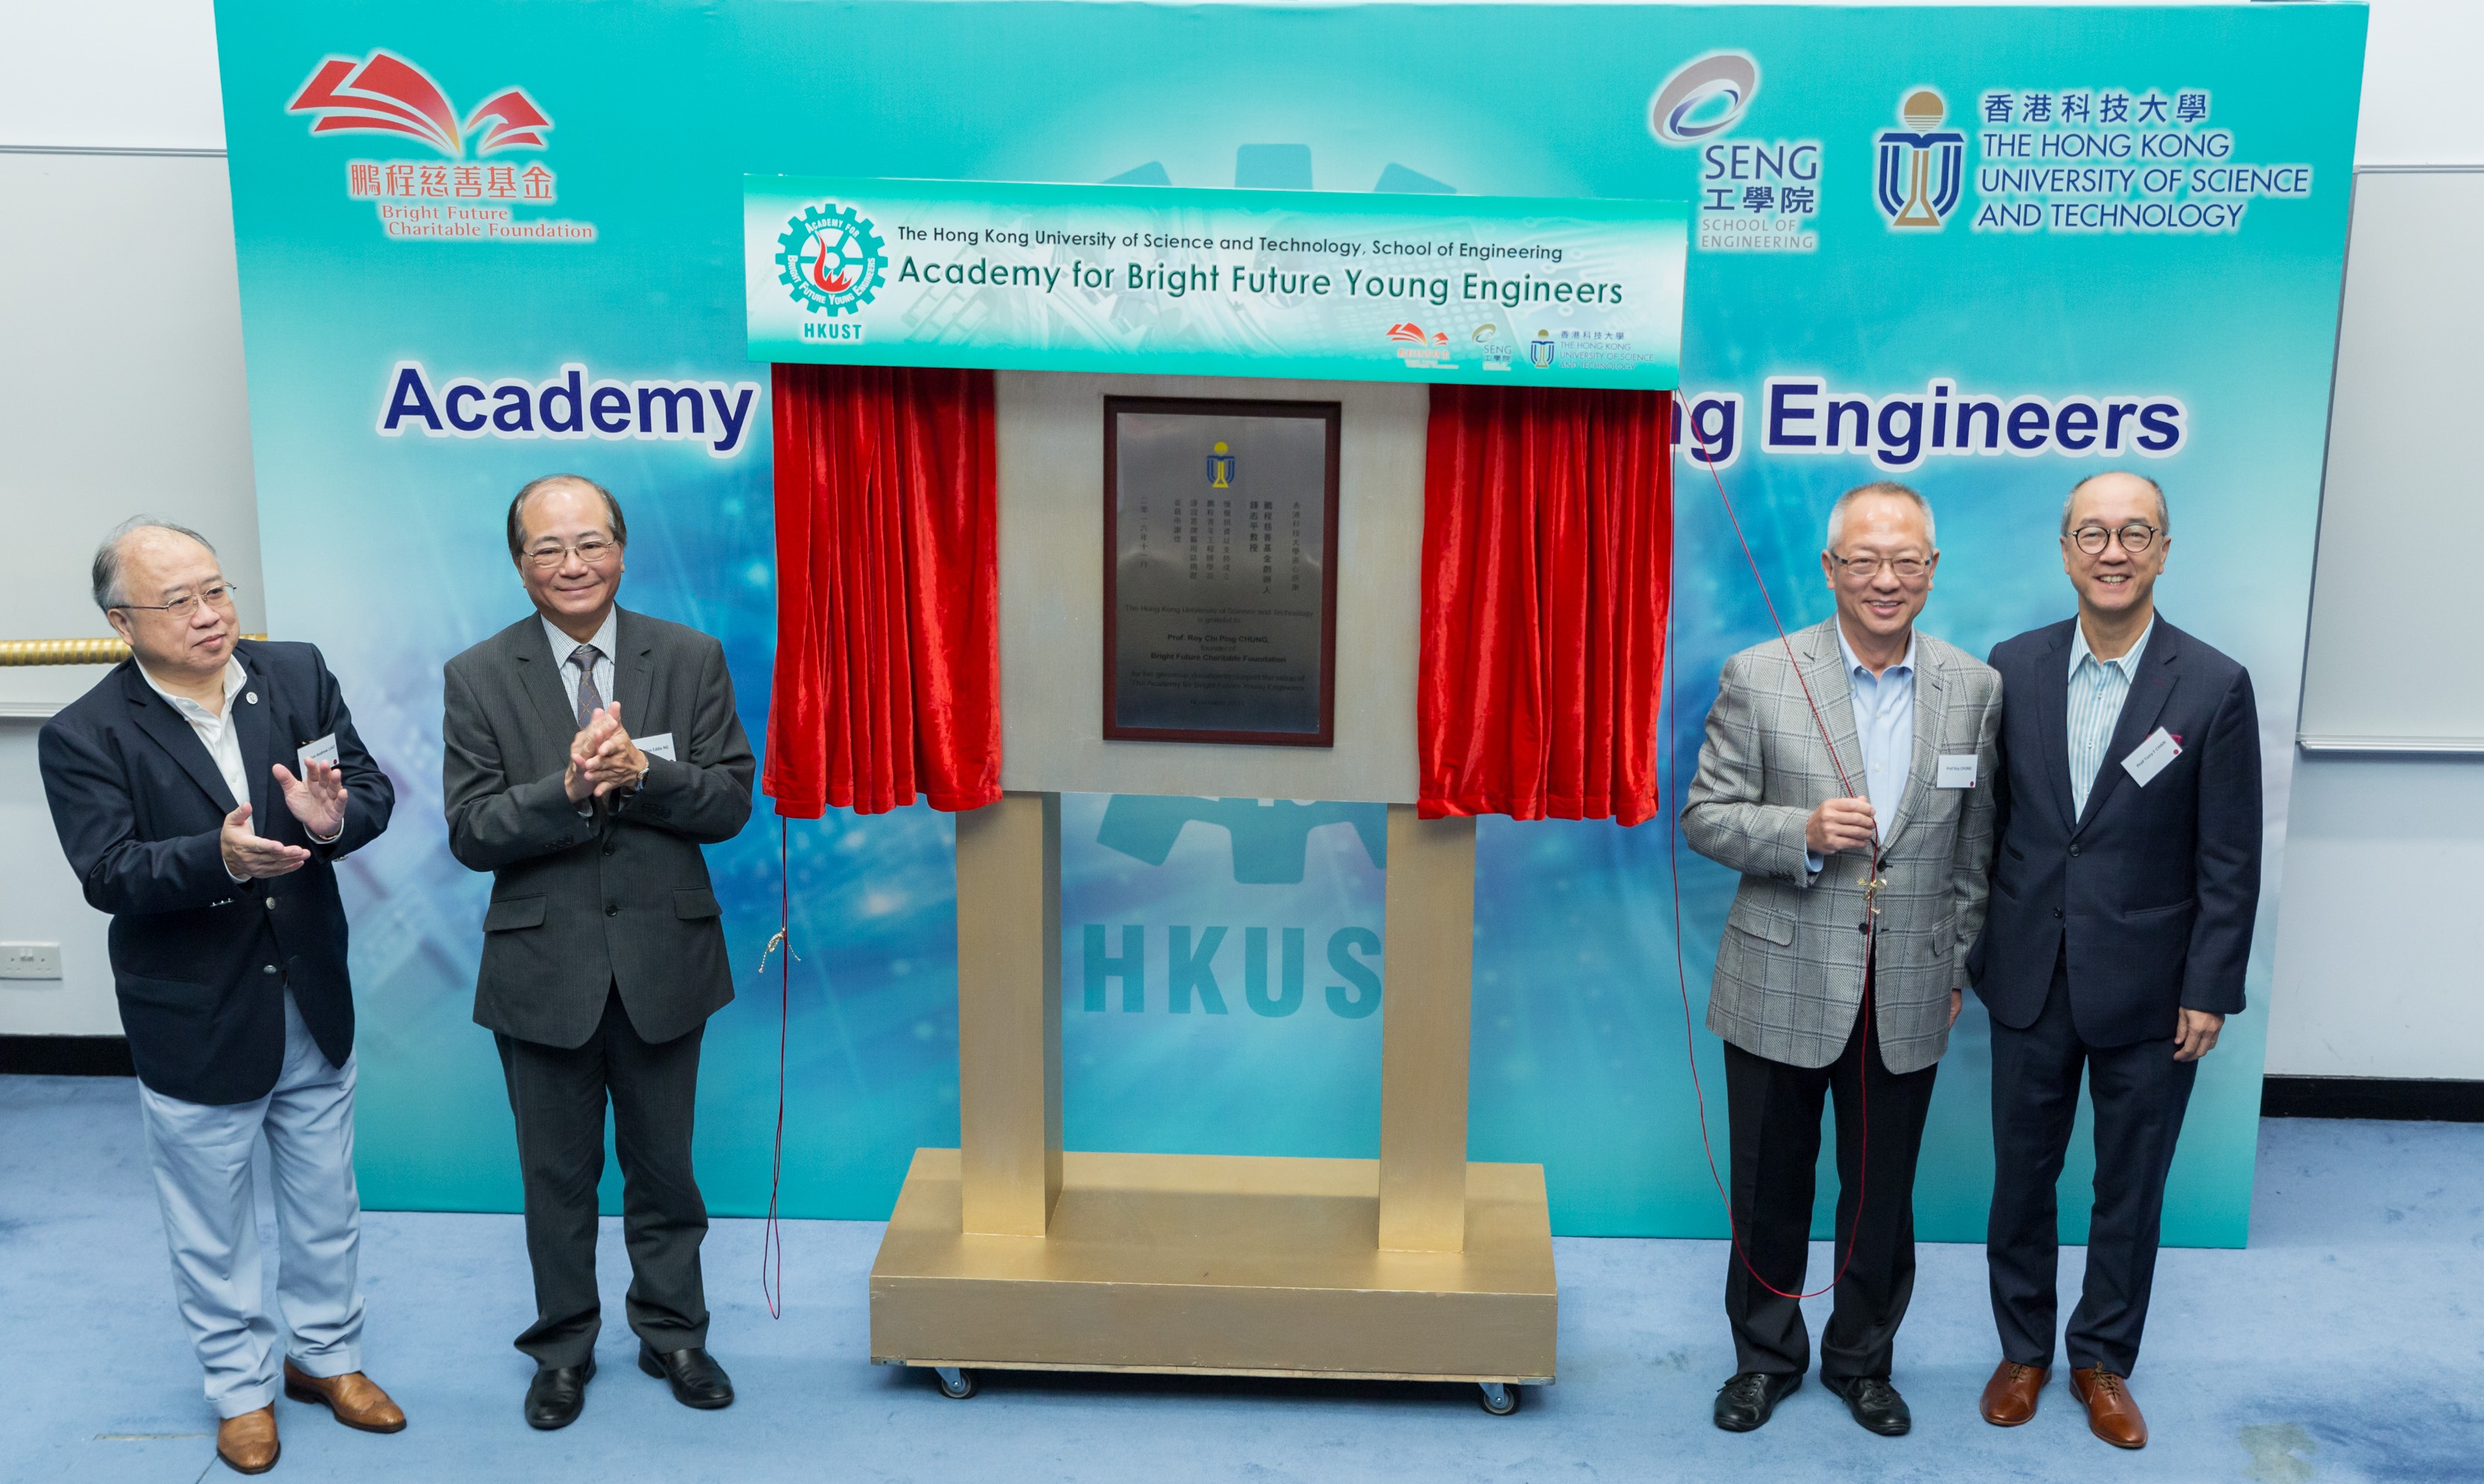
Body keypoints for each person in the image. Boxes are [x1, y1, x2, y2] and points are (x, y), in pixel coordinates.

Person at [39, 519, 402, 1476]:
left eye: (216, 589)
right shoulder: (85, 732)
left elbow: (364, 788)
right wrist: (219, 858)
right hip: (194, 1012)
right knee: (213, 1223)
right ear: (122, 622)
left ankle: (327, 1358)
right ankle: (240, 1388)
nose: (210, 614)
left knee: (328, 1199)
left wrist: (335, 819)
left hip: (313, 994)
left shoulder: (295, 672)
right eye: (179, 601)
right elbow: (108, 870)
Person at [1682, 480, 2001, 1438]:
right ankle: (1765, 1357)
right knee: (1770, 1182)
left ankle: (1862, 1359)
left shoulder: (1975, 688)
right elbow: (1705, 815)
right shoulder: (1759, 672)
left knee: (1880, 1193)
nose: (1885, 578)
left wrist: (1955, 962)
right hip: (1781, 973)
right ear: (1830, 568)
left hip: (1906, 983)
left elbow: (1976, 850)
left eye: (1906, 560)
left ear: (1933, 571)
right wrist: (1804, 830)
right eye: (1864, 559)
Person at [442, 474, 755, 1430]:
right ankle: (563, 1350)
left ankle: (675, 1334)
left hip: (666, 958)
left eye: (590, 543)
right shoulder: (477, 674)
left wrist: (644, 774)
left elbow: (731, 800)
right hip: (543, 969)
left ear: (622, 550)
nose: (571, 564)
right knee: (557, 1176)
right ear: (519, 564)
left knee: (666, 1168)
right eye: (547, 548)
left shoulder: (692, 656)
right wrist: (569, 788)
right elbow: (471, 830)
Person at [1969, 471, 2260, 1450]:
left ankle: (2099, 1356)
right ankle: (2021, 1349)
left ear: (2164, 550)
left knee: (2129, 1183)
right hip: (2026, 975)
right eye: (2092, 532)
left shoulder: (2213, 685)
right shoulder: (2010, 666)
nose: (2112, 549)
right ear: (2063, 550)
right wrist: (1976, 951)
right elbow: (1988, 827)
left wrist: (2210, 985)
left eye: (2135, 532)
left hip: (2150, 986)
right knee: (2021, 1173)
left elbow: (2228, 854)